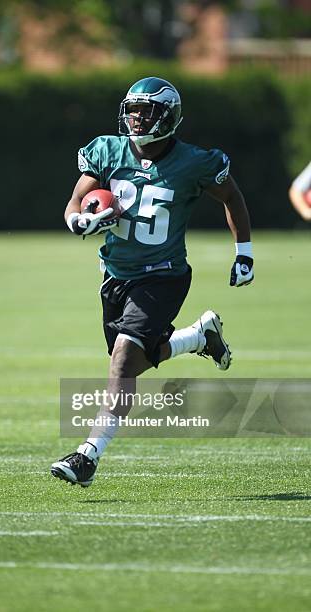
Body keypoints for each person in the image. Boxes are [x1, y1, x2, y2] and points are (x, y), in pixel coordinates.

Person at [51, 76, 254, 487]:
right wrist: (80, 220)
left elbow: (231, 196)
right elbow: (76, 200)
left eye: (147, 111)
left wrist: (244, 252)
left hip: (163, 276)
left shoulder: (195, 162)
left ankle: (88, 456)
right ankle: (198, 338)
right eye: (133, 109)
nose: (137, 118)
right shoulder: (107, 150)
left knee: (123, 361)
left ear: (169, 116)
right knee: (132, 364)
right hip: (115, 275)